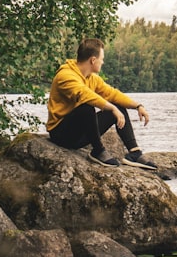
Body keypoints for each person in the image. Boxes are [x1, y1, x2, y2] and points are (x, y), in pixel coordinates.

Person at [46, 38, 158, 170]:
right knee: (86, 108)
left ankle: (134, 153)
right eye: (102, 58)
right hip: (61, 134)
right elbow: (85, 95)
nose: (103, 62)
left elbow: (112, 94)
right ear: (93, 60)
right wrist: (111, 107)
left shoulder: (92, 78)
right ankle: (98, 151)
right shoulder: (65, 76)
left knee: (118, 107)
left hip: (79, 134)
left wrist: (138, 106)